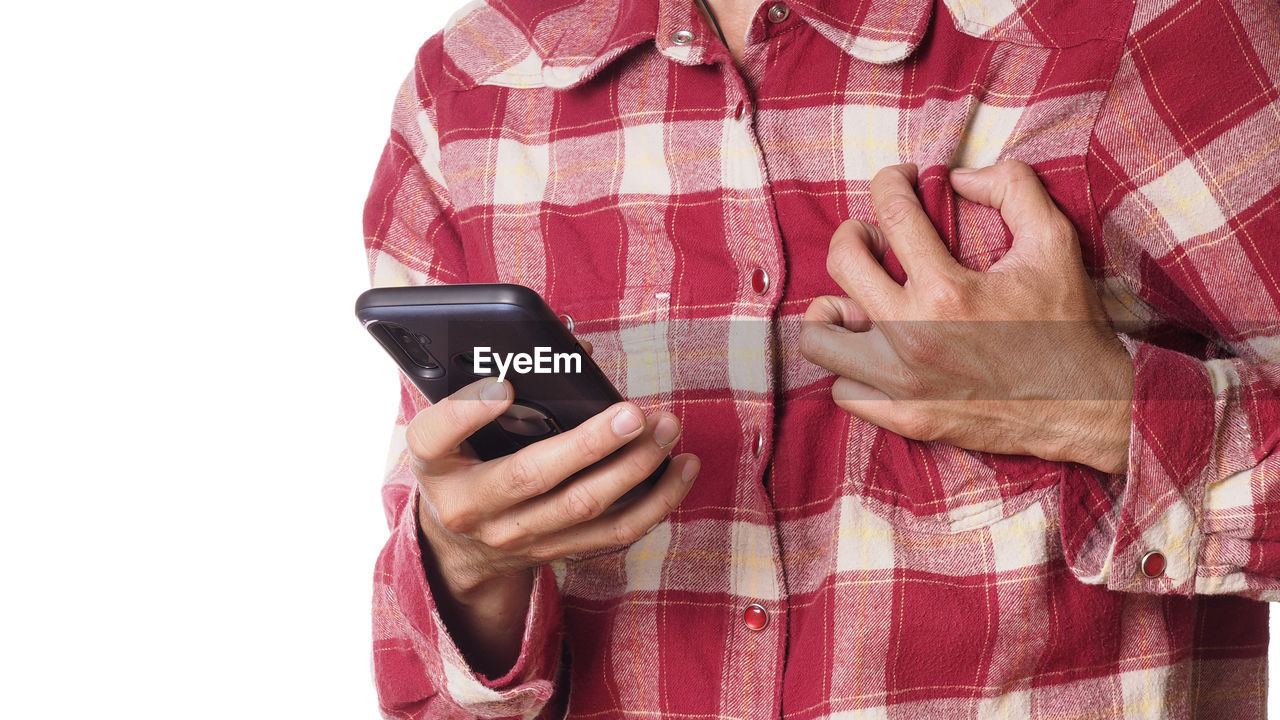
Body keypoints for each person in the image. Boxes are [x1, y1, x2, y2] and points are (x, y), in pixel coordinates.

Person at [363, 0, 1280, 716]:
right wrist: (472, 563)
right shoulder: (470, 93)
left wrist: (1087, 407)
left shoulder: (1132, 31)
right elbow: (431, 693)